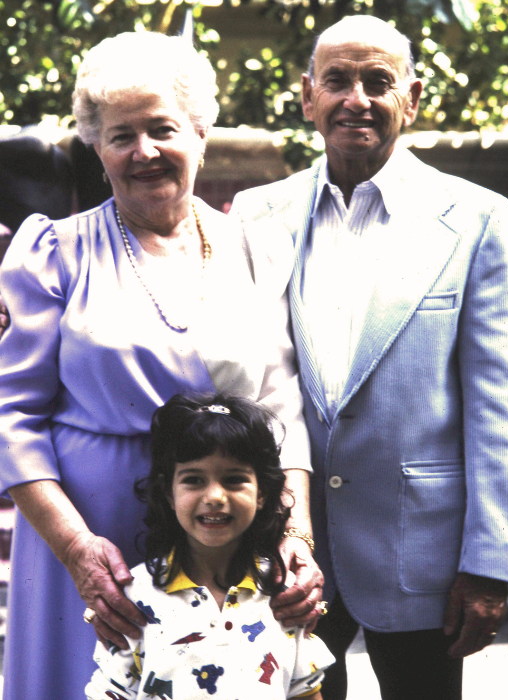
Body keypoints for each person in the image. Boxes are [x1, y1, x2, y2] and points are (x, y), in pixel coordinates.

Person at [0, 32, 321, 699]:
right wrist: (76, 551)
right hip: (91, 529)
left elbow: (282, 405)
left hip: (222, 523)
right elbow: (11, 418)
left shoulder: (254, 250)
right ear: (96, 146)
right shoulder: (51, 253)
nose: (143, 152)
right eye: (120, 136)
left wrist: (296, 537)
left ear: (202, 131)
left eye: (162, 129)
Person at [228, 15, 508, 700]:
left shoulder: (478, 219)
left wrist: (488, 565)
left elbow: (502, 408)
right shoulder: (254, 215)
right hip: (288, 548)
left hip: (420, 550)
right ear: (308, 97)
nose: (356, 99)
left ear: (414, 98)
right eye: (337, 81)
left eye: (378, 81)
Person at [85, 394, 334, 699]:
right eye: (194, 480)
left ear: (263, 493)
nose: (215, 495)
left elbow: (305, 691)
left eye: (233, 479)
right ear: (168, 493)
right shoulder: (136, 600)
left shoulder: (285, 595)